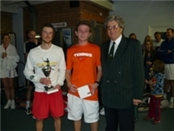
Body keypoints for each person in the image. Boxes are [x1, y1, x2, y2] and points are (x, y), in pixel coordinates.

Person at [100, 15, 144, 131]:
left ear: (121, 28)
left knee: (127, 127)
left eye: (114, 26)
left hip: (125, 95)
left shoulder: (133, 44)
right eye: (108, 28)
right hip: (108, 96)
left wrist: (138, 95)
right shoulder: (104, 46)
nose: (111, 30)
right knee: (110, 127)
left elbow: (139, 71)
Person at [23, 23, 66, 131]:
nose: (48, 35)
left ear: (53, 35)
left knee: (57, 117)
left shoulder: (58, 50)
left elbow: (62, 69)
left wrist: (59, 83)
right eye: (45, 32)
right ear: (41, 34)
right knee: (39, 119)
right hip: (40, 91)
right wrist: (39, 79)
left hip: (55, 90)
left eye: (50, 33)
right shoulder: (33, 52)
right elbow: (27, 71)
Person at [66, 20, 102, 131]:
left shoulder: (96, 49)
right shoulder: (70, 50)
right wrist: (68, 84)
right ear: (76, 33)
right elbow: (67, 71)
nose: (83, 33)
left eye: (85, 31)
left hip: (90, 90)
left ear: (89, 33)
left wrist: (96, 84)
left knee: (93, 119)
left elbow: (100, 70)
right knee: (76, 118)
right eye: (80, 31)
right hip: (74, 91)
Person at [0, 34, 20, 109]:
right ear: (2, 39)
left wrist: (7, 56)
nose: (7, 40)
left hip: (10, 69)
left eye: (8, 38)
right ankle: (8, 101)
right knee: (5, 86)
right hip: (2, 69)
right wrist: (2, 57)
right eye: (5, 38)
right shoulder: (0, 48)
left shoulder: (12, 47)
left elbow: (16, 58)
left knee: (11, 86)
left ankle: (13, 101)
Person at [157, 28, 174, 108]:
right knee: (165, 82)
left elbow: (172, 53)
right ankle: (164, 99)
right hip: (164, 64)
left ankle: (172, 100)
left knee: (172, 83)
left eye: (169, 33)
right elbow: (159, 52)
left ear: (173, 33)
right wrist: (166, 52)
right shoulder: (164, 42)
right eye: (166, 33)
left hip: (172, 64)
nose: (167, 34)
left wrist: (166, 52)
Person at [144, 59, 165, 124]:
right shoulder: (155, 74)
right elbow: (152, 80)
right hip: (153, 93)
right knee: (151, 105)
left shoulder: (160, 75)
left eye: (153, 66)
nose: (152, 66)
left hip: (157, 94)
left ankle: (157, 118)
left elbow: (155, 83)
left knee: (156, 107)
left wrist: (148, 82)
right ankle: (151, 115)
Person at [24, 30, 39, 115]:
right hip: (31, 69)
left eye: (34, 35)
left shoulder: (38, 43)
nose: (33, 36)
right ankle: (27, 106)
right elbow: (28, 56)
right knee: (30, 87)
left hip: (39, 69)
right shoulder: (27, 44)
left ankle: (36, 106)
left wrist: (37, 44)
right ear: (28, 35)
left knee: (38, 88)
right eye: (31, 35)